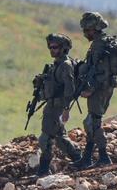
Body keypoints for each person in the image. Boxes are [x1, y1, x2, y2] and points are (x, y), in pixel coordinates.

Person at [74, 12, 117, 169]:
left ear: (95, 29)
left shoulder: (99, 46)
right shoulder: (102, 43)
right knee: (92, 121)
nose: (85, 33)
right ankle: (87, 157)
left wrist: (89, 89)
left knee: (93, 122)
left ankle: (104, 157)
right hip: (105, 87)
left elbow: (99, 72)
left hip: (100, 89)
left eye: (87, 30)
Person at [35, 34, 82, 177]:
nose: (51, 50)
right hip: (51, 105)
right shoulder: (56, 64)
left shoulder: (65, 65)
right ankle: (78, 159)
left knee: (45, 138)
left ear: (63, 48)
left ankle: (43, 169)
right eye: (50, 47)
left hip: (58, 107)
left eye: (55, 47)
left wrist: (66, 109)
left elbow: (69, 89)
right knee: (60, 138)